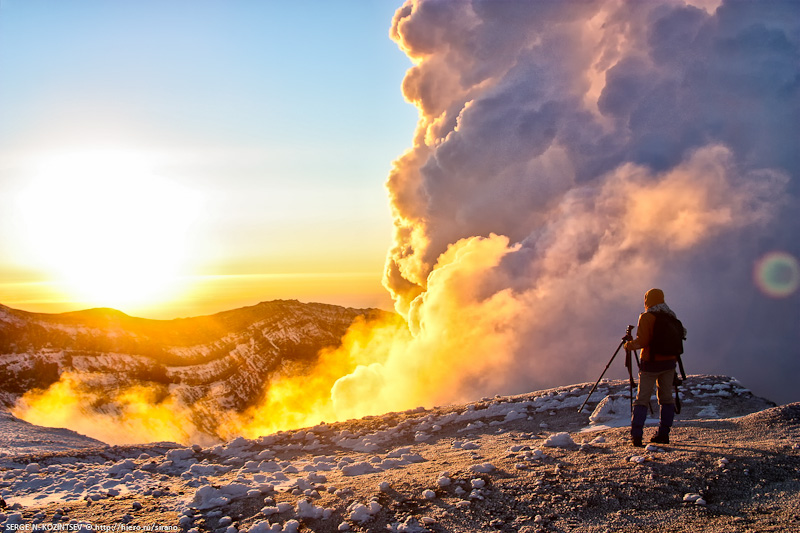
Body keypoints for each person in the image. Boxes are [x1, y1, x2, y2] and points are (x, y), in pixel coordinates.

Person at [623, 288, 685, 447]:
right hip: (670, 363)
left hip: (650, 364)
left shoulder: (646, 317)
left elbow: (642, 342)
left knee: (642, 399)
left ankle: (636, 436)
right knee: (666, 398)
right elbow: (682, 333)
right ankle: (663, 434)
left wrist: (628, 345)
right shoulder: (670, 315)